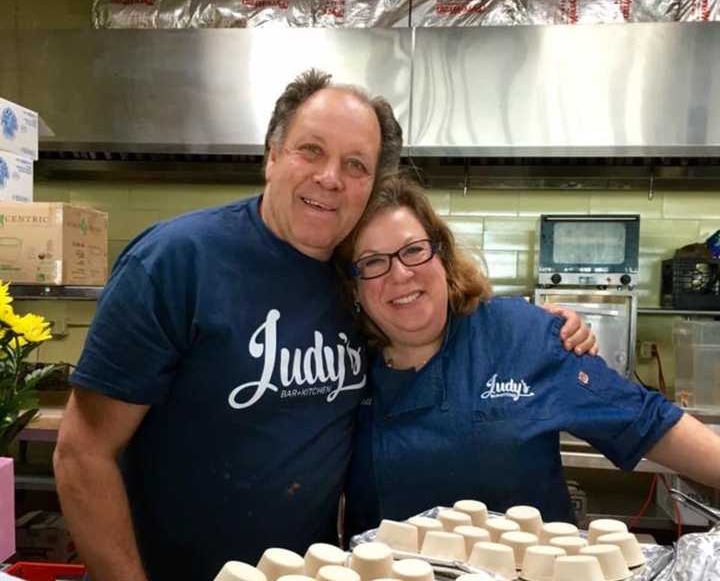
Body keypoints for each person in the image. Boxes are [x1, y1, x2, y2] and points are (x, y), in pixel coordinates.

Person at [53, 69, 592, 581]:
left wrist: (542, 330)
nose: (330, 178)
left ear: (371, 186)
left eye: (356, 165)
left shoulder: (362, 280)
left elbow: (447, 324)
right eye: (311, 150)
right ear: (271, 156)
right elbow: (82, 453)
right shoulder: (177, 262)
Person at [337, 174, 720, 537]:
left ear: (442, 255)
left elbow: (647, 421)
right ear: (353, 287)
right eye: (372, 262)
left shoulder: (523, 334)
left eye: (414, 250)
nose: (400, 274)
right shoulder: (339, 365)